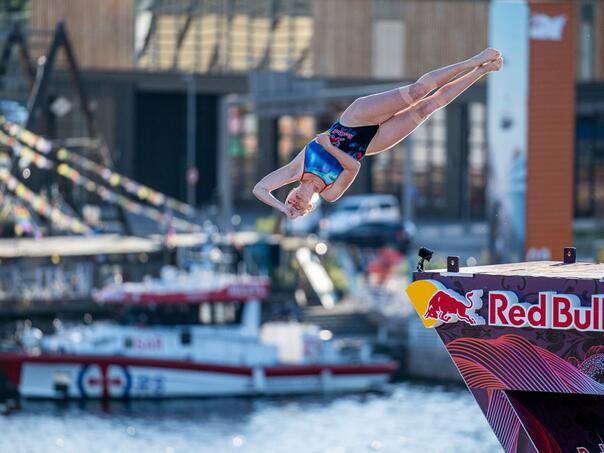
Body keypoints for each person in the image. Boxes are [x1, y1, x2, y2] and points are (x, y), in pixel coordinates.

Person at [253, 48, 503, 219]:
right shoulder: (330, 193)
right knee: (427, 108)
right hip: (369, 144)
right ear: (309, 205)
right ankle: (482, 71)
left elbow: (260, 189)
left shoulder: (295, 170)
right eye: (298, 205)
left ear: (292, 191)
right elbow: (353, 168)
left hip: (355, 118)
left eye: (292, 200)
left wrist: (280, 207)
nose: (296, 200)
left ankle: (474, 60)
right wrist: (328, 147)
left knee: (416, 92)